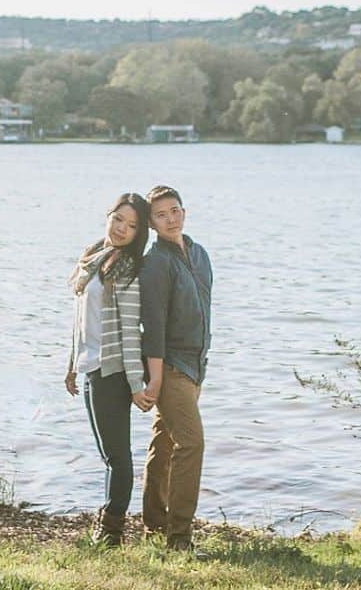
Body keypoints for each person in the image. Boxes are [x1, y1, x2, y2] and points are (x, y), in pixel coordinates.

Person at [64, 192, 153, 546]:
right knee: (107, 454)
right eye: (118, 219)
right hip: (91, 366)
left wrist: (135, 384)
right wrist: (72, 365)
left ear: (139, 233)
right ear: (109, 215)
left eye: (132, 226)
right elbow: (82, 320)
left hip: (112, 371)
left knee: (117, 456)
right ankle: (108, 526)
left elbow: (131, 333)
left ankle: (111, 532)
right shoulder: (96, 255)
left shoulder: (129, 269)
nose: (122, 229)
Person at [136, 183, 213, 553]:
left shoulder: (199, 254)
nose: (171, 219)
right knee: (192, 444)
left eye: (175, 210)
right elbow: (153, 324)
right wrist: (155, 378)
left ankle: (153, 524)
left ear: (184, 211)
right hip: (170, 367)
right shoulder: (156, 263)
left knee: (165, 443)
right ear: (151, 223)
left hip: (197, 365)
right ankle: (180, 538)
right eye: (161, 214)